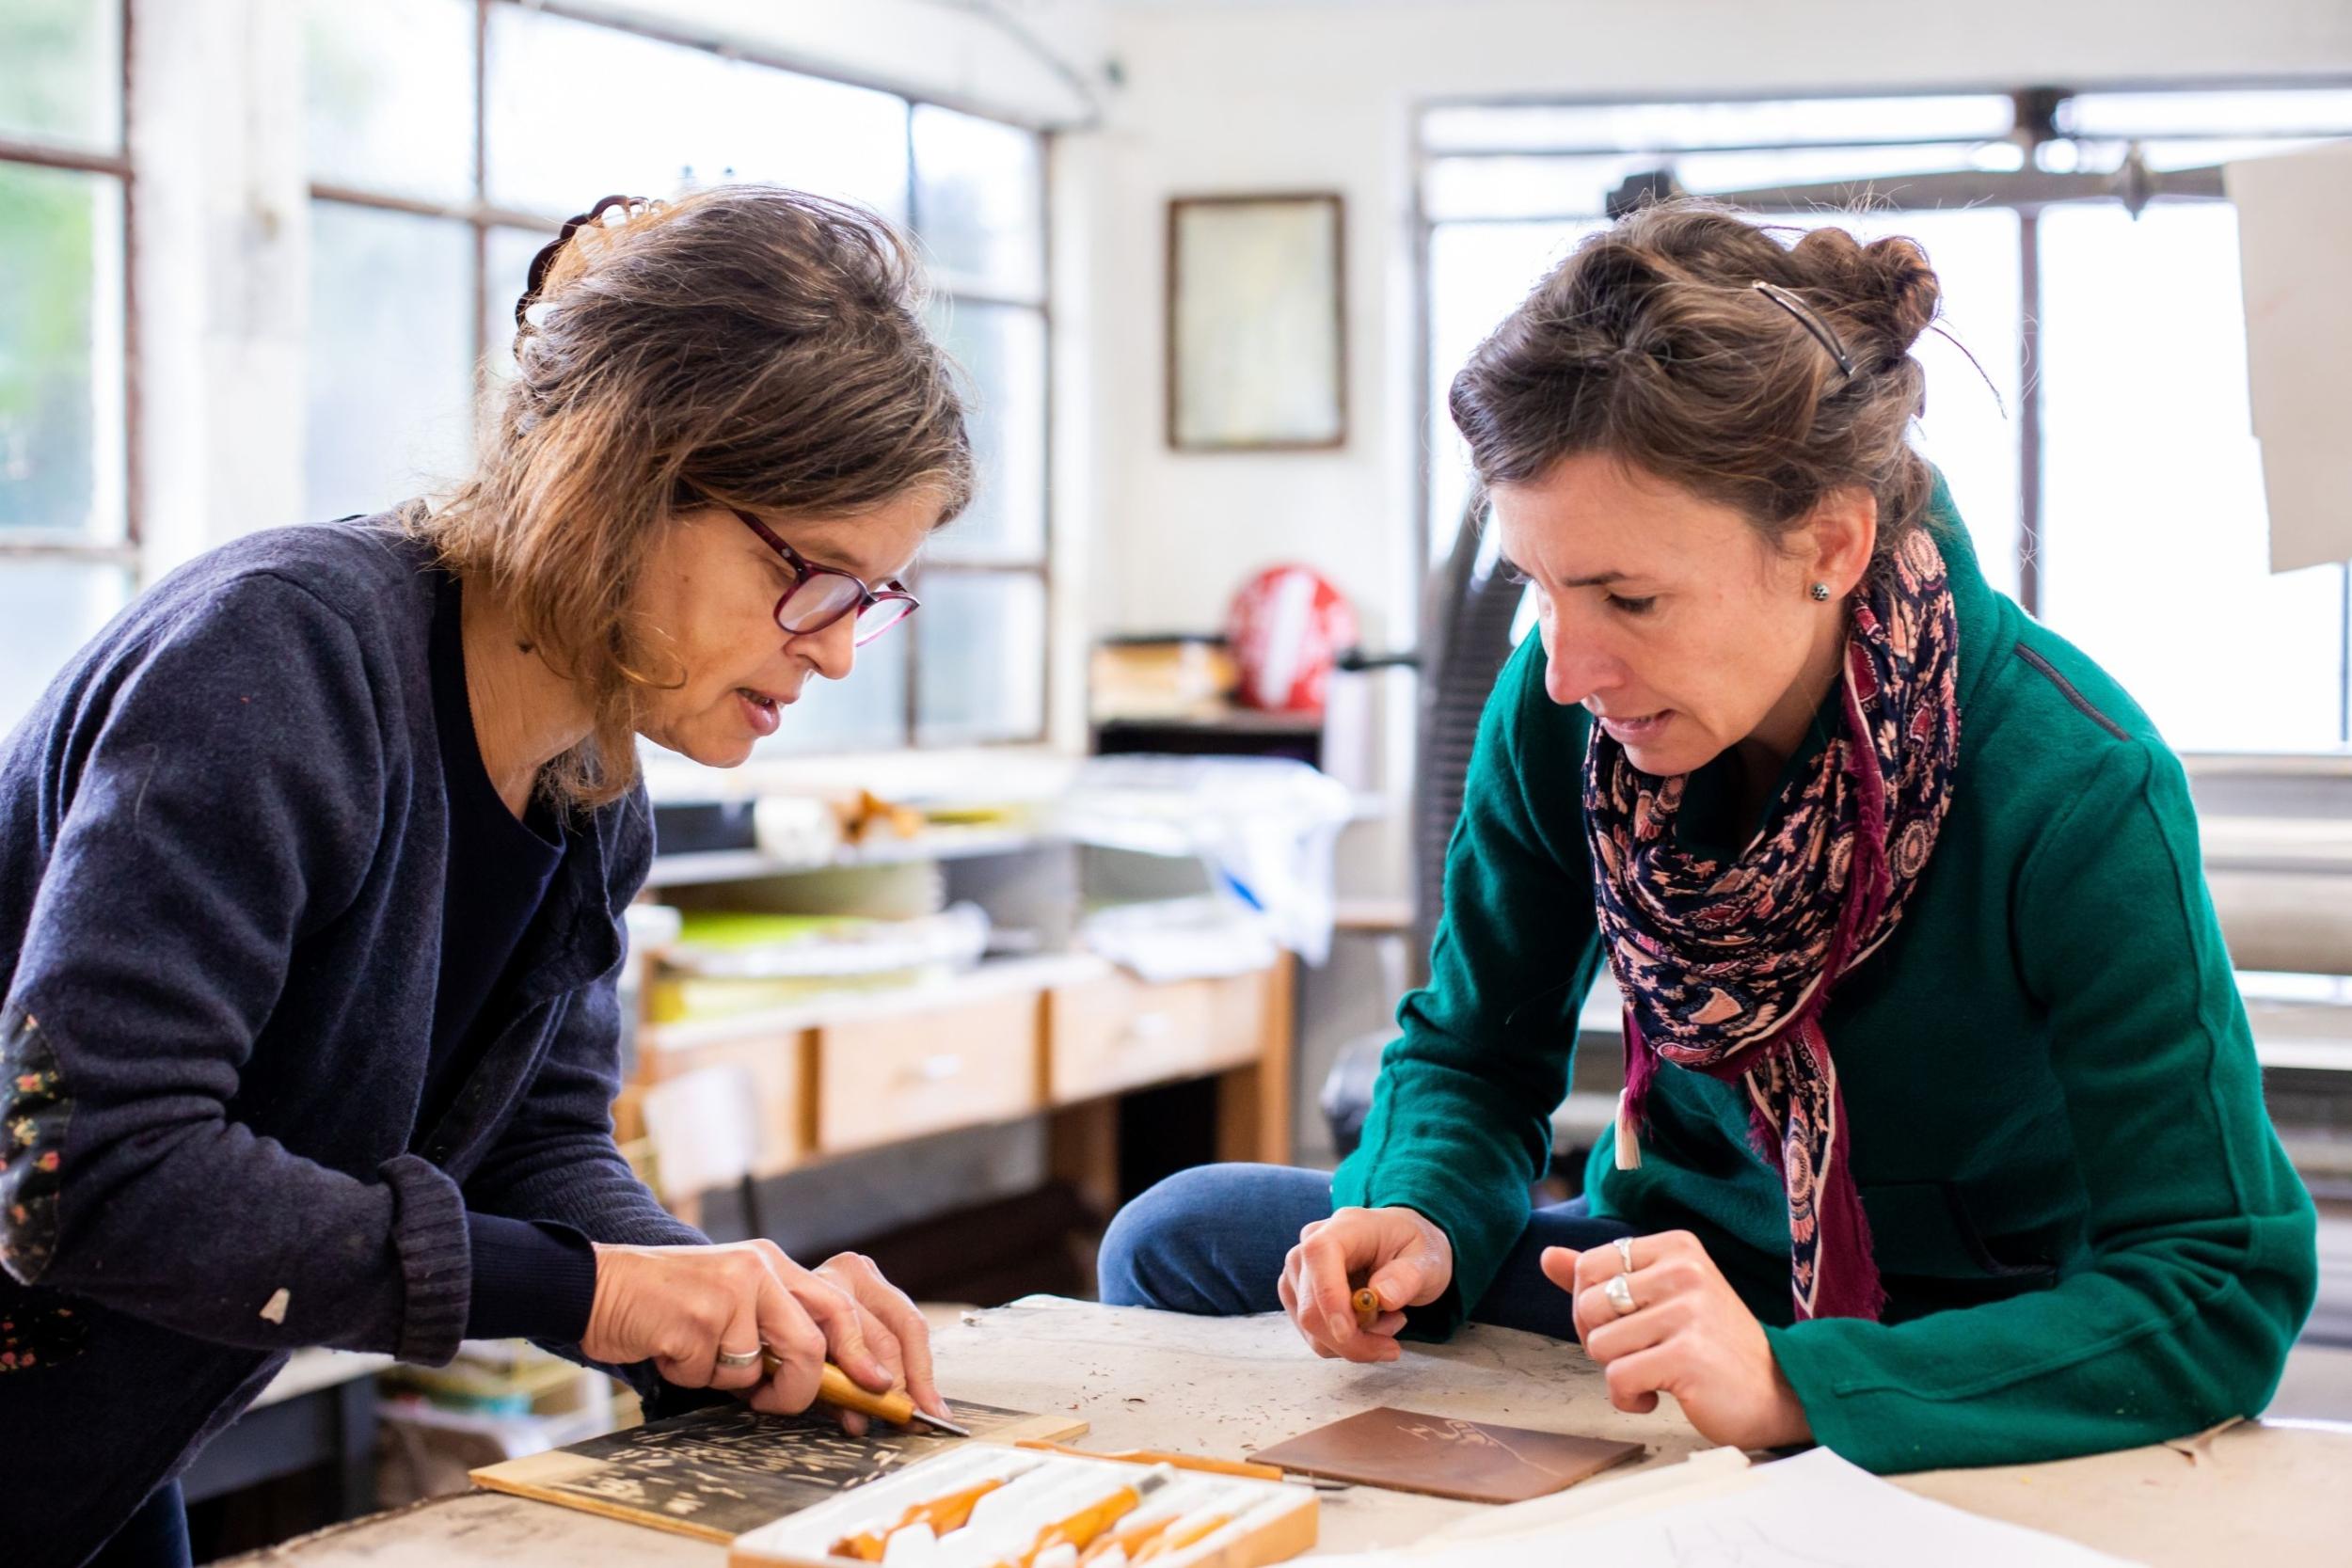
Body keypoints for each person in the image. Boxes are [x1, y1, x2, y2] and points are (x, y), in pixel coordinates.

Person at [1100, 200, 2317, 1473]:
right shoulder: (1563, 710)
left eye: (1630, 597)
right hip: (1663, 1289)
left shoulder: (2076, 782)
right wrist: (1420, 1210)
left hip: (1953, 1332)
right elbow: (1472, 1055)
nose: (1565, 670)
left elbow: (2218, 1283)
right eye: (1540, 589)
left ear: (1829, 542)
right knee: (1180, 1233)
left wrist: (1796, 1382)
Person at [0, 186, 970, 1568]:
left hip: (91, 1445)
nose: (832, 649)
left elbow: (535, 1144)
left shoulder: (591, 788)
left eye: (872, 599)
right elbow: (78, 1168)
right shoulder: (276, 661)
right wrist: (589, 1293)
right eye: (815, 577)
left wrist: (719, 1308)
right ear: (625, 472)